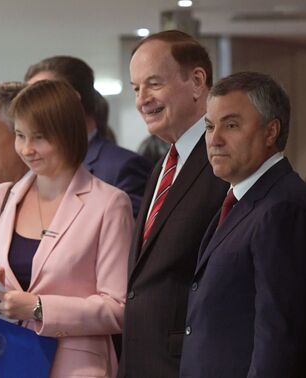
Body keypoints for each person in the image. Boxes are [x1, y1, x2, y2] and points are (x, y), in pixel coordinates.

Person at [0, 80, 133, 377]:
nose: (27, 149)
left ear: (68, 135)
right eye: (20, 135)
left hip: (75, 367)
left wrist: (39, 307)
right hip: (4, 360)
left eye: (39, 138)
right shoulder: (0, 199)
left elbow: (119, 308)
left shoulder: (109, 203)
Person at [179, 72, 306, 377]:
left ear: (270, 131)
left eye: (231, 125)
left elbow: (280, 340)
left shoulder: (283, 209)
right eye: (209, 126)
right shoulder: (240, 199)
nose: (215, 139)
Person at [122, 30, 229, 377]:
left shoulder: (225, 161)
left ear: (197, 81)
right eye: (136, 88)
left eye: (153, 84)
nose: (142, 100)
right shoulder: (162, 167)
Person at [24, 56, 152, 217]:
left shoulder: (122, 167)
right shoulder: (32, 171)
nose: (30, 110)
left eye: (42, 99)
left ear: (73, 100)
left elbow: (131, 237)